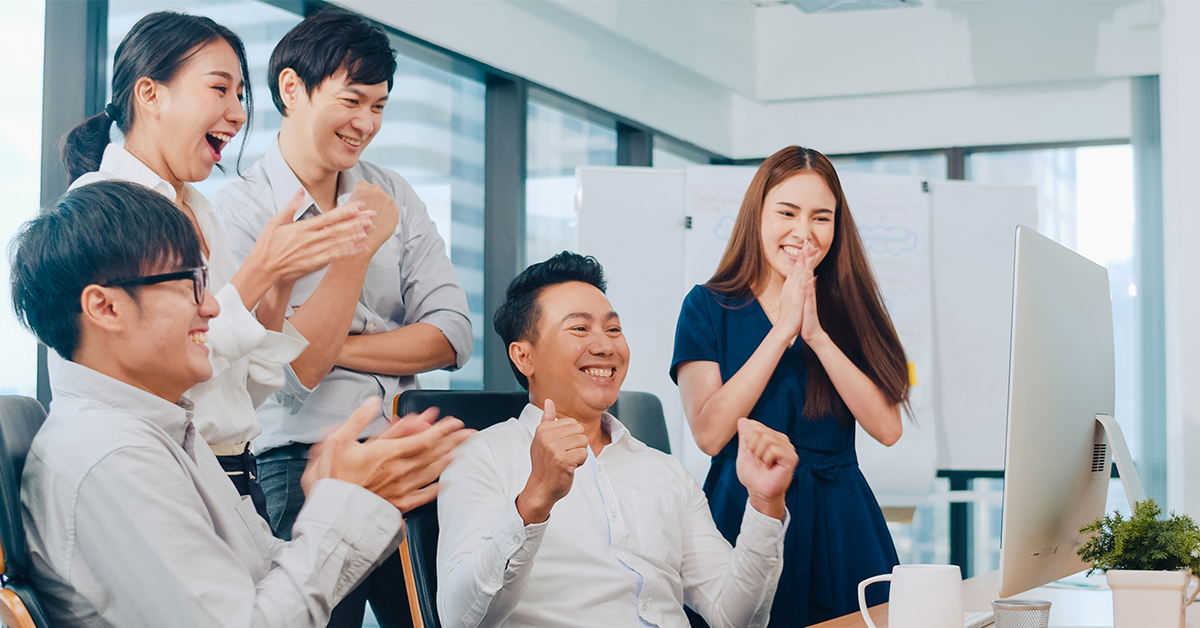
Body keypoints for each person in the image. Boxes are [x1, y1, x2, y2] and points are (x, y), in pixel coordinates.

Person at [9, 180, 472, 628]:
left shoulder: (156, 430)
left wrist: (348, 499)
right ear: (105, 308)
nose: (212, 307)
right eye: (190, 283)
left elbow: (263, 576)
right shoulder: (114, 456)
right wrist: (347, 504)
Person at [59, 11, 375, 519]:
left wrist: (280, 282)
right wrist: (261, 272)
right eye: (219, 89)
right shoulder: (104, 207)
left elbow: (240, 389)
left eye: (241, 95)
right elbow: (162, 369)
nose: (238, 112)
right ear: (150, 94)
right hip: (165, 478)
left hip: (233, 480)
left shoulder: (201, 210)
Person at [215, 8, 473, 627]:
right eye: (353, 100)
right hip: (299, 462)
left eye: (379, 107)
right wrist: (356, 251)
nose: (366, 124)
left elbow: (452, 335)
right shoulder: (244, 213)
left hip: (403, 450)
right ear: (291, 89)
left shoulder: (393, 193)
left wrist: (335, 336)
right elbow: (299, 369)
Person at [437, 251, 798, 628]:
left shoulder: (664, 471)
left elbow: (735, 617)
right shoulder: (481, 457)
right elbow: (460, 618)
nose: (606, 346)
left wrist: (764, 504)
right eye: (579, 329)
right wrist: (534, 500)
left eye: (613, 329)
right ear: (524, 356)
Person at [671, 145, 911, 626]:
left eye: (821, 218)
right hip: (744, 510)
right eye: (787, 212)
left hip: (842, 521)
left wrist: (817, 337)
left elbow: (887, 427)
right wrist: (782, 331)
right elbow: (710, 433)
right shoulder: (705, 306)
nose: (804, 232)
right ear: (757, 214)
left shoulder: (852, 307)